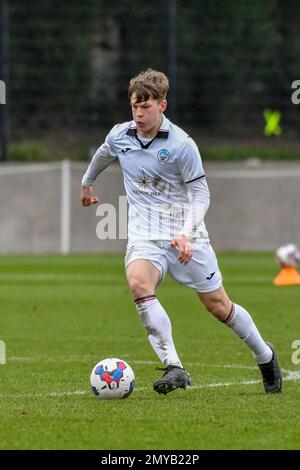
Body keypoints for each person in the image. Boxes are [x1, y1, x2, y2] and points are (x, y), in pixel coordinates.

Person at [81, 68, 282, 395]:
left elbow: (201, 194)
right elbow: (104, 152)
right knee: (138, 283)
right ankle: (174, 366)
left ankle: (265, 355)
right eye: (135, 106)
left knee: (219, 307)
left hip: (186, 237)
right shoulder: (121, 134)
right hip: (145, 237)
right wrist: (87, 184)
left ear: (163, 105)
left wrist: (187, 232)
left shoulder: (181, 145)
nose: (139, 113)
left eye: (146, 106)